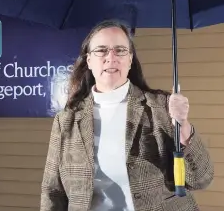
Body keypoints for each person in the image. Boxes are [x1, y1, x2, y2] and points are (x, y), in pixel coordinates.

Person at [40, 20, 214, 211]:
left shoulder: (161, 107)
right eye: (101, 50)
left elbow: (201, 179)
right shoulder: (66, 120)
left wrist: (183, 126)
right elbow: (52, 193)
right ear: (89, 60)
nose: (111, 57)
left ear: (130, 59)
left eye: (120, 50)